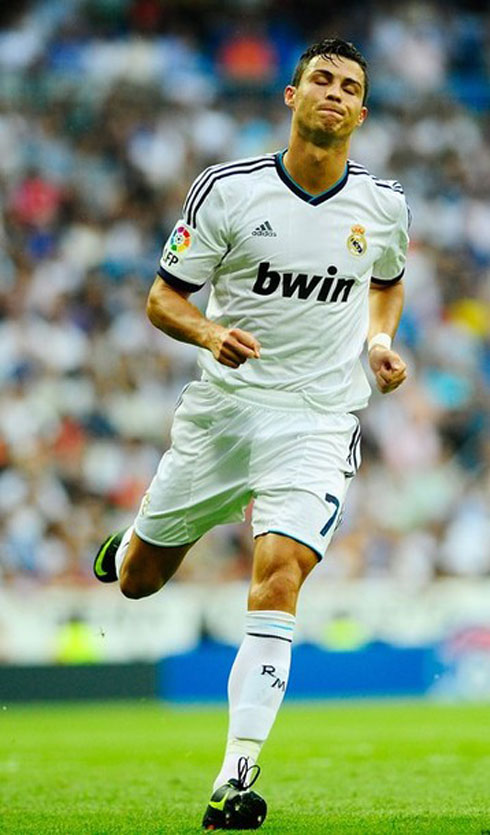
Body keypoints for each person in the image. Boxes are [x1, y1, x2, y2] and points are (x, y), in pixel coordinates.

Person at [93, 37, 409, 830]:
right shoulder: (227, 192)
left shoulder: (384, 205)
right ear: (291, 97)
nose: (335, 94)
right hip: (226, 411)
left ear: (363, 113)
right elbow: (163, 298)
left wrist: (376, 341)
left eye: (350, 87)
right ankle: (129, 540)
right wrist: (208, 336)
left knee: (278, 577)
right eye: (322, 81)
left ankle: (234, 779)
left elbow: (390, 279)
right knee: (138, 580)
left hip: (319, 417)